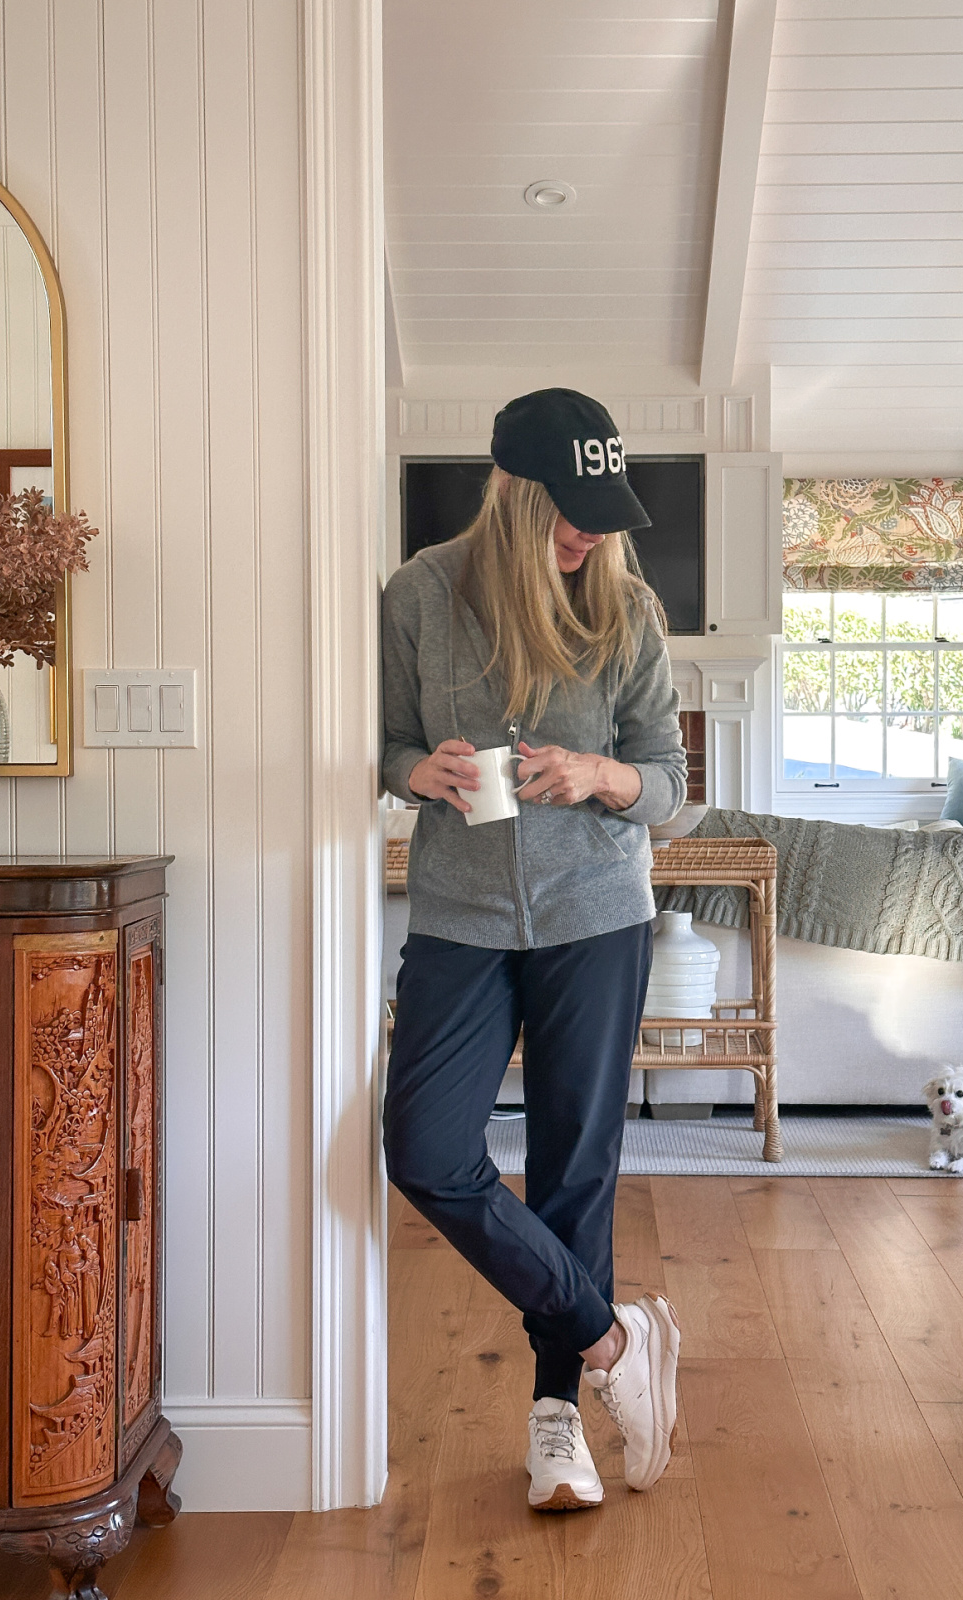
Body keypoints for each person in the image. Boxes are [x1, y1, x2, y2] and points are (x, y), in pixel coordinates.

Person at [381, 388, 686, 1512]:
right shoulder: (419, 593)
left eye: (608, 511)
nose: (595, 531)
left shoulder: (628, 609)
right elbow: (380, 735)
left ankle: (560, 1419)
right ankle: (614, 1342)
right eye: (575, 507)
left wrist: (599, 775)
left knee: (573, 1170)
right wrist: (417, 771)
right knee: (425, 1150)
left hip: (596, 917)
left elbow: (671, 782)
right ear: (512, 490)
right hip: (459, 918)